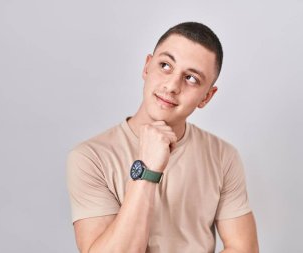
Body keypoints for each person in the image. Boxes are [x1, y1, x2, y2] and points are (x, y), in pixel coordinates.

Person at [67, 21, 259, 253]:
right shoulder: (90, 158)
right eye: (165, 65)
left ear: (206, 97)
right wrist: (147, 169)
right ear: (147, 67)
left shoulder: (223, 156)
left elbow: (243, 248)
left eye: (191, 78)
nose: (172, 86)